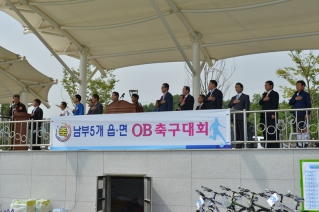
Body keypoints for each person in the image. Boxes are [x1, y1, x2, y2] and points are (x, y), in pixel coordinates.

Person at [289, 80, 311, 147]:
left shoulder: (306, 94)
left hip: (302, 114)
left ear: (303, 86)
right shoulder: (295, 94)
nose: (297, 86)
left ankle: (306, 143)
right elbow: (290, 102)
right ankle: (299, 144)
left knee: (303, 127)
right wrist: (295, 99)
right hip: (295, 114)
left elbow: (308, 104)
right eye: (296, 85)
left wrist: (307, 113)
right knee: (297, 129)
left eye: (299, 85)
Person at [228, 83, 250, 148]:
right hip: (234, 117)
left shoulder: (245, 96)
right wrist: (233, 102)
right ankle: (237, 144)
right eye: (235, 87)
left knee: (241, 131)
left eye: (238, 87)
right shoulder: (233, 97)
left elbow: (247, 106)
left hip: (241, 116)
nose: (236, 88)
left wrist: (246, 115)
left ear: (242, 88)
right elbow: (229, 105)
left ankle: (242, 144)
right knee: (236, 131)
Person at [259, 81, 280, 148]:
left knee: (272, 130)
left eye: (267, 85)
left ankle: (274, 145)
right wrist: (264, 99)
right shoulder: (265, 94)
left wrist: (273, 113)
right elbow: (260, 102)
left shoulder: (275, 94)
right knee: (265, 130)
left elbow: (275, 104)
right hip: (264, 116)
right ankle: (267, 144)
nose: (266, 86)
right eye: (265, 85)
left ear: (271, 86)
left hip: (271, 115)